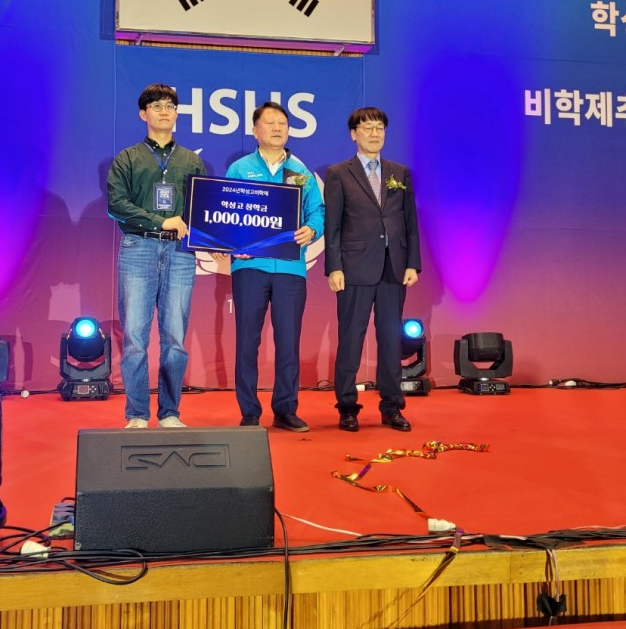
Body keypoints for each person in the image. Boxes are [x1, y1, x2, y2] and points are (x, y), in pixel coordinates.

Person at [217, 101, 324, 432]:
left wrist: (312, 229)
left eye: (283, 123)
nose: (277, 128)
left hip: (290, 267)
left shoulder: (301, 172)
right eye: (270, 122)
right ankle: (249, 411)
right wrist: (234, 244)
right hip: (250, 266)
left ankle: (285, 409)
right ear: (255, 130)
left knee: (288, 342)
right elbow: (226, 212)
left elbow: (317, 211)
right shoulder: (240, 168)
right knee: (247, 342)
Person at [107, 83, 205, 429]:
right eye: (157, 106)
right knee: (135, 337)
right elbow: (117, 205)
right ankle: (136, 413)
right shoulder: (127, 158)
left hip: (180, 253)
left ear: (177, 114)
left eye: (170, 106)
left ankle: (169, 412)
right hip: (139, 247)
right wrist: (160, 220)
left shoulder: (192, 160)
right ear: (143, 114)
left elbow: (203, 209)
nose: (165, 112)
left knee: (175, 338)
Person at [324, 106, 420, 432]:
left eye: (379, 128)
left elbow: (410, 222)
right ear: (354, 134)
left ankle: (392, 407)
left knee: (391, 342)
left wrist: (413, 262)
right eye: (367, 128)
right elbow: (333, 226)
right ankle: (347, 407)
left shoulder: (399, 172)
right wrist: (334, 268)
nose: (374, 133)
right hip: (354, 268)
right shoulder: (339, 173)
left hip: (394, 268)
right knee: (351, 340)